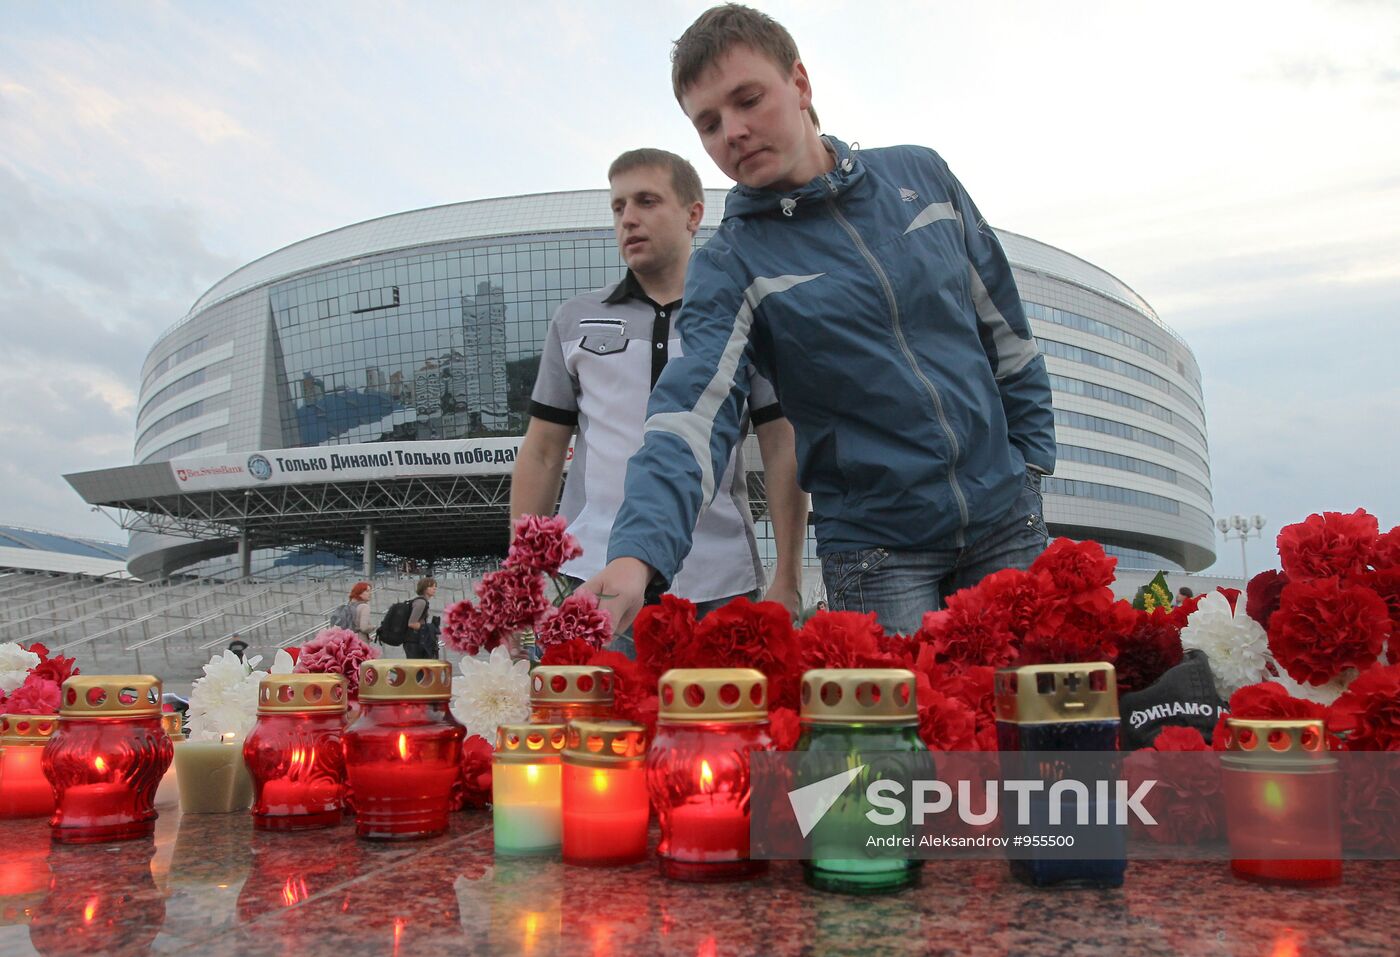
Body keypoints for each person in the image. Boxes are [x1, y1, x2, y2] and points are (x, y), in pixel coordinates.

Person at [583, 4, 1055, 637]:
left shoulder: (924, 175)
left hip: (1006, 524)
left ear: (800, 84)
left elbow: (1006, 332)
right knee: (907, 737)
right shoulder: (730, 262)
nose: (733, 132)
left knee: (1038, 732)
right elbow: (689, 417)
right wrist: (636, 556)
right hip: (880, 554)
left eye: (748, 100)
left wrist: (1030, 467)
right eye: (709, 123)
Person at [510, 147, 809, 646]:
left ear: (694, 214)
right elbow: (541, 453)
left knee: (721, 727)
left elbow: (781, 445)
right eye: (618, 206)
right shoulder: (574, 320)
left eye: (647, 201)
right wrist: (522, 577)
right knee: (595, 725)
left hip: (720, 582)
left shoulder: (743, 320)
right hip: (594, 580)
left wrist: (789, 576)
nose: (629, 218)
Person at [404, 577, 439, 659]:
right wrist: (429, 627)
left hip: (416, 640)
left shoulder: (422, 602)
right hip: (414, 642)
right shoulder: (421, 602)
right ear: (424, 588)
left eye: (435, 586)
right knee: (418, 670)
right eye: (431, 586)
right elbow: (411, 623)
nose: (434, 588)